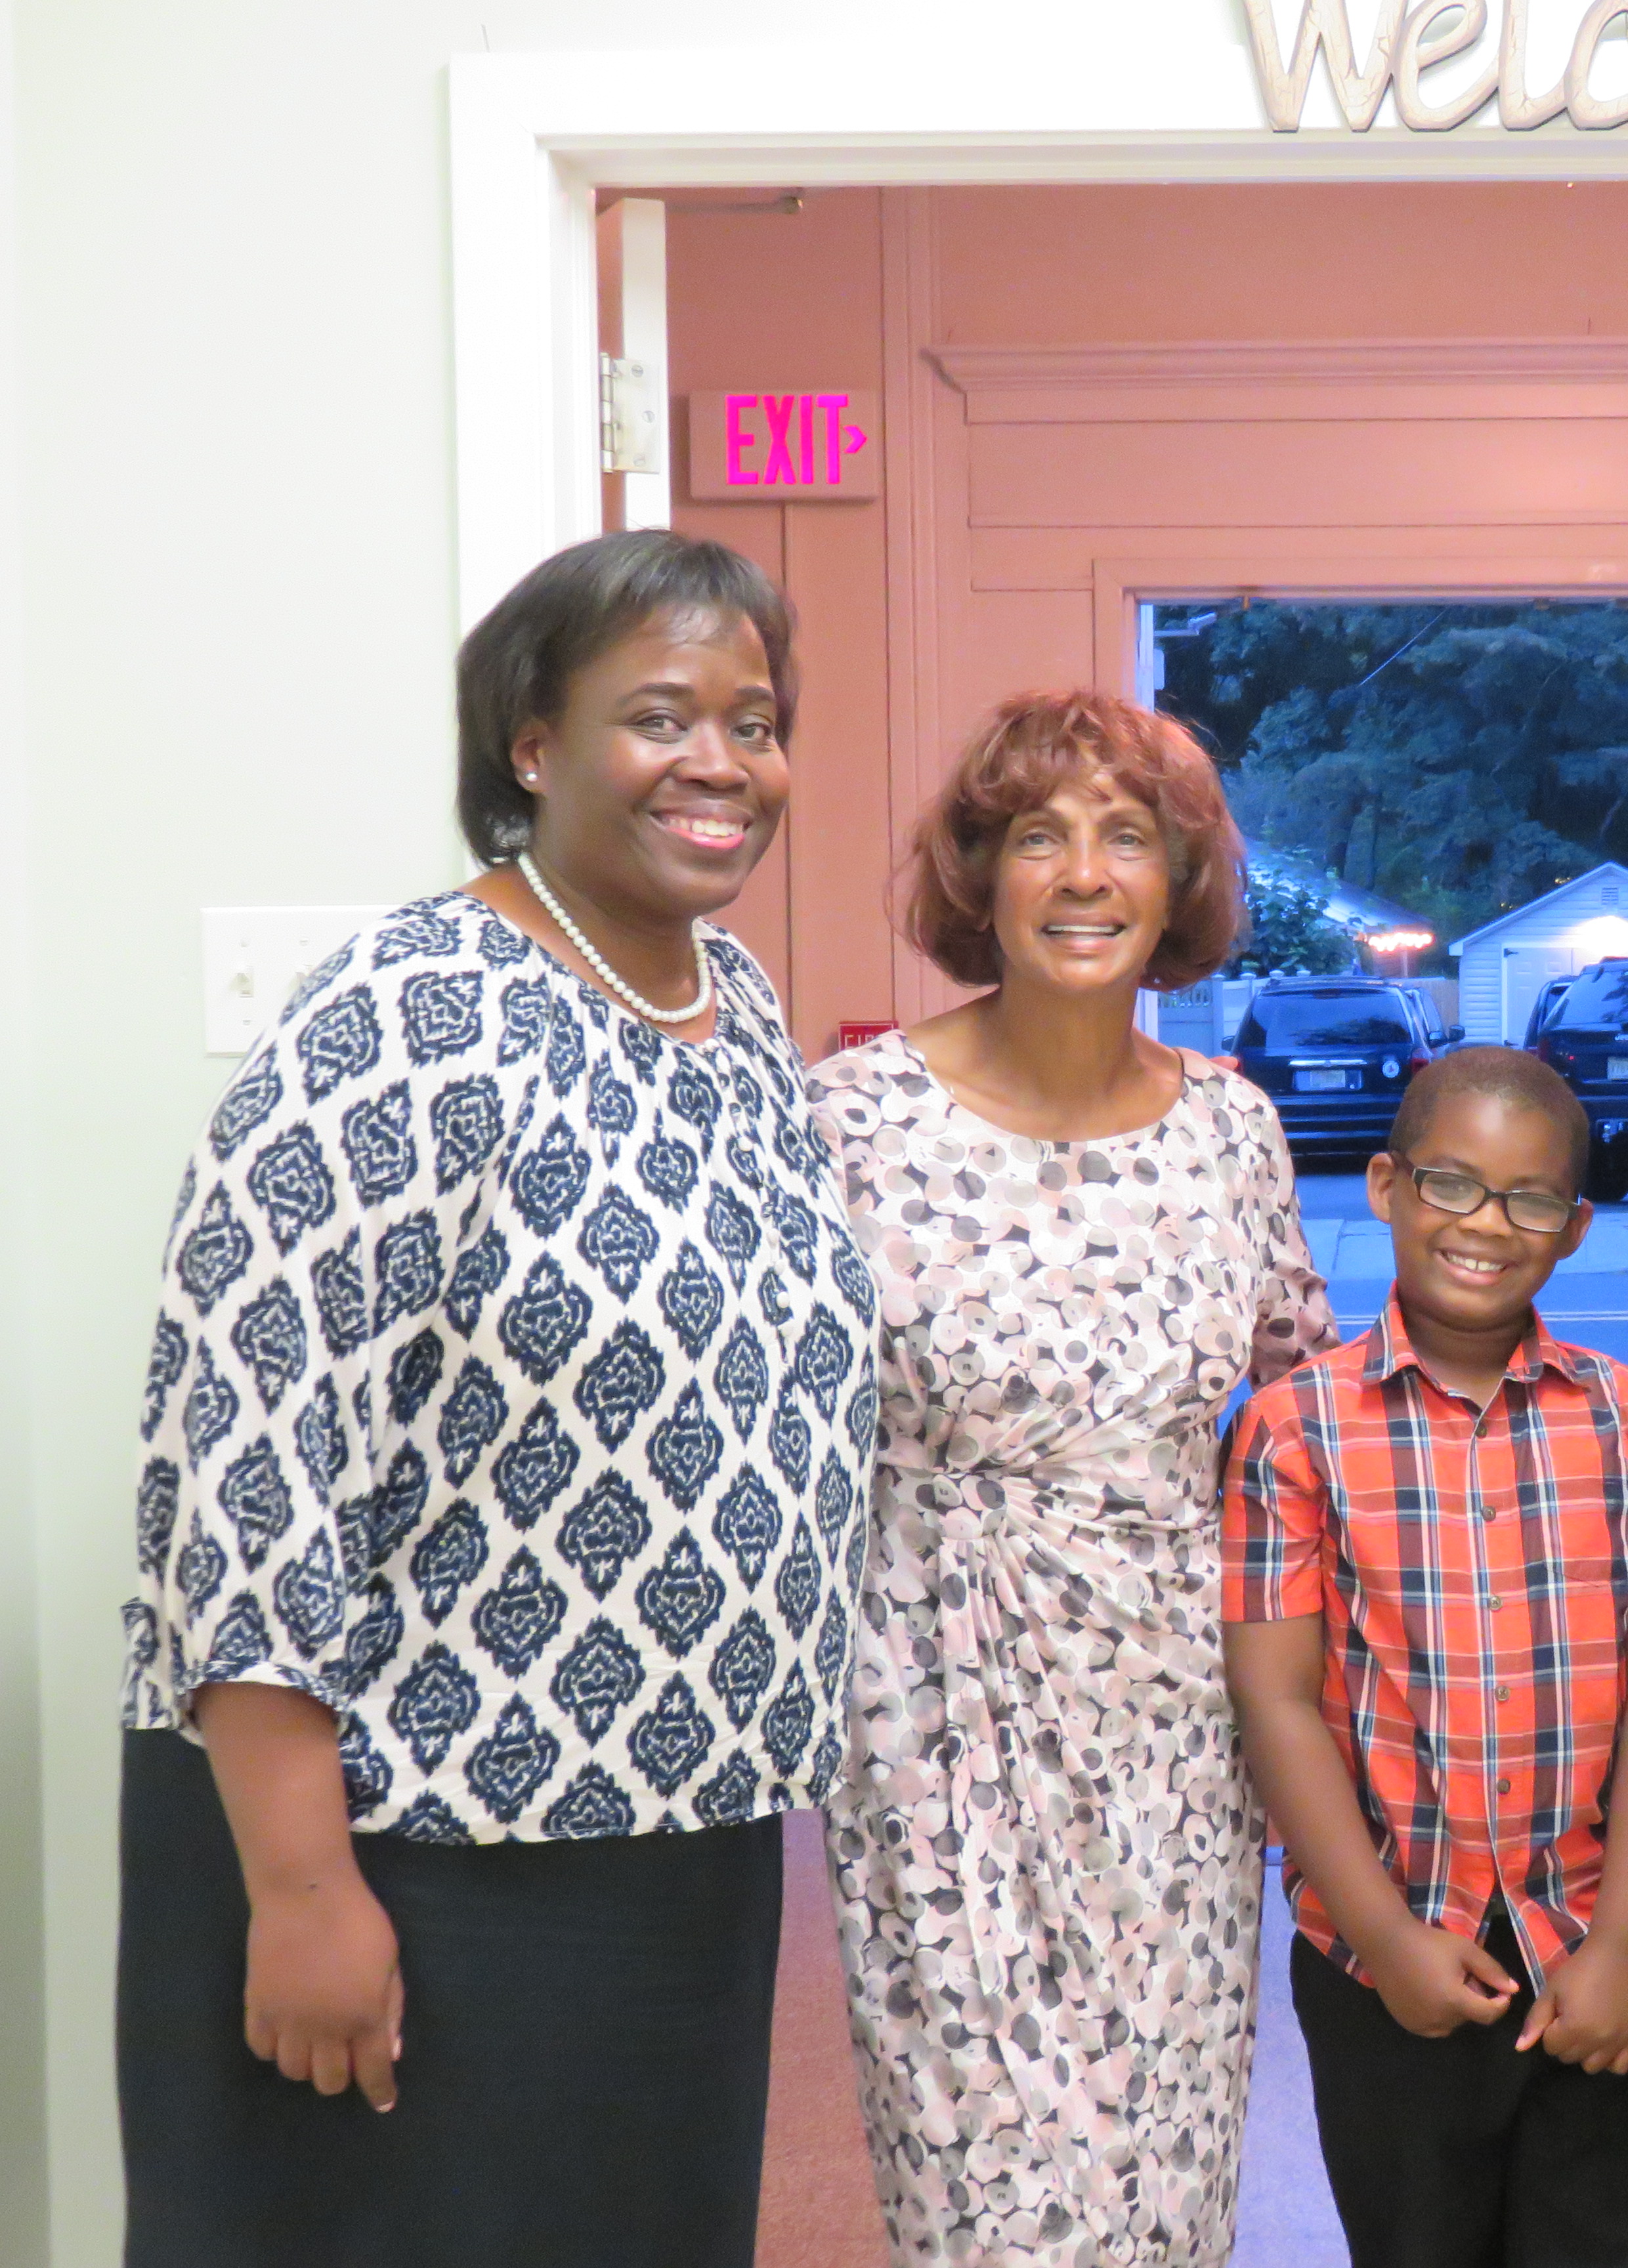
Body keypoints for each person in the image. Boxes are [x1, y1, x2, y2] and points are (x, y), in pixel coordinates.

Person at [114, 529, 880, 2267]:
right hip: (414, 1853)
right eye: (660, 716)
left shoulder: (734, 1010)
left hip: (680, 1847)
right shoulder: (406, 1015)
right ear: (531, 744)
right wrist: (304, 1892)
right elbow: (244, 1463)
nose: (721, 764)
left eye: (755, 723)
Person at [805, 690, 1332, 2268]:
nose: (1086, 874)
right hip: (933, 1725)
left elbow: (1304, 1414)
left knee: (1164, 2180)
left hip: (1176, 1737)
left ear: (1181, 883)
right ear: (982, 880)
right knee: (985, 2197)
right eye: (1040, 836)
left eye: (1128, 838)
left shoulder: (1232, 1132)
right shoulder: (846, 1122)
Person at [1224, 1047, 1628, 2268]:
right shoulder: (1294, 1431)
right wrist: (1384, 1938)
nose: (1487, 1225)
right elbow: (1276, 1701)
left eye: (1531, 1199)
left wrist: (1624, 1946)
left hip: (1601, 1949)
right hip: (1385, 1955)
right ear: (1386, 1186)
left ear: (1576, 1227)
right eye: (1452, 1184)